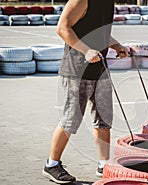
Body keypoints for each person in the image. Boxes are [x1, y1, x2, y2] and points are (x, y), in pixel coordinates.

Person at [42, 0, 129, 184]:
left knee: (104, 120)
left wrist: (117, 45)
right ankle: (52, 164)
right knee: (70, 120)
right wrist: (86, 50)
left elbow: (100, 33)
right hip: (76, 71)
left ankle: (104, 164)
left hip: (100, 69)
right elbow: (63, 28)